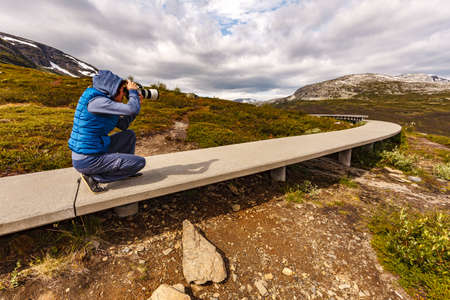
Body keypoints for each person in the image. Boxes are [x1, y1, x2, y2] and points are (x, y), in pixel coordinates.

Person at [68, 70, 146, 193]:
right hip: (87, 159)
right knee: (140, 163)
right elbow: (131, 109)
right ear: (112, 89)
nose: (123, 95)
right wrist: (132, 93)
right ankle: (95, 177)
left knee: (129, 135)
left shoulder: (104, 102)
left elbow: (123, 125)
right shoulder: (97, 102)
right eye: (122, 91)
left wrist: (137, 102)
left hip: (94, 148)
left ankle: (125, 171)